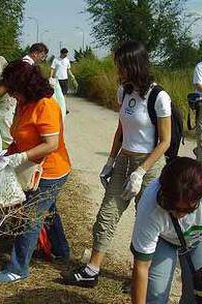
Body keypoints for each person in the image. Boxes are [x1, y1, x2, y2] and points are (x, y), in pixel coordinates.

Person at [62, 40, 172, 287]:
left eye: (121, 66)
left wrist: (141, 172)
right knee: (107, 214)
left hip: (150, 165)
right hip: (124, 161)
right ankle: (91, 270)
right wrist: (111, 160)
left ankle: (140, 276)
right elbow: (121, 129)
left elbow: (165, 142)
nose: (118, 71)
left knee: (146, 222)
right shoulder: (124, 91)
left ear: (135, 65)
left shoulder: (159, 96)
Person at [0, 59, 71, 283]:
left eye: (13, 90)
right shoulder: (23, 103)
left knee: (30, 218)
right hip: (31, 167)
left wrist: (22, 156)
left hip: (50, 171)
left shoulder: (45, 105)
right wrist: (8, 155)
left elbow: (51, 144)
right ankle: (61, 251)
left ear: (25, 86)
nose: (11, 95)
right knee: (48, 210)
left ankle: (18, 268)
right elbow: (20, 136)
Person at [131, 157, 202, 304]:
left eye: (188, 209)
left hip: (201, 237)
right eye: (175, 208)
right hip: (164, 240)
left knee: (198, 295)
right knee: (155, 294)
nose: (180, 214)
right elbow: (141, 267)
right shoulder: (149, 206)